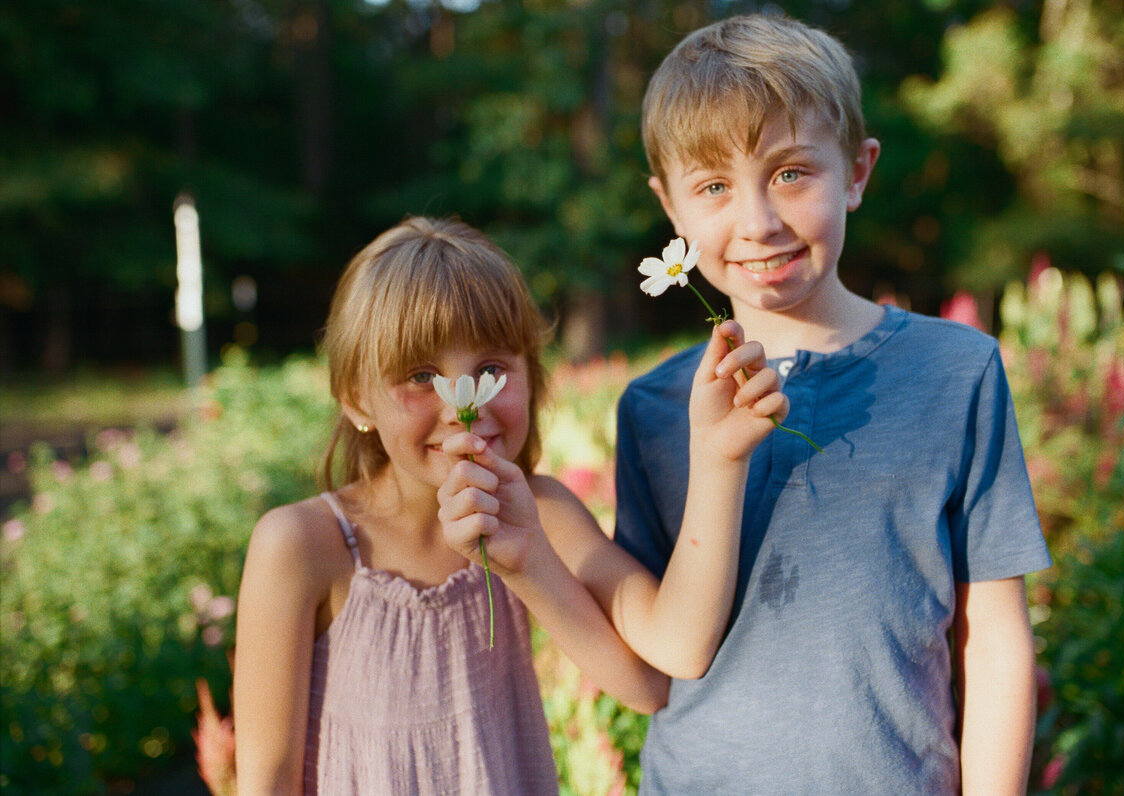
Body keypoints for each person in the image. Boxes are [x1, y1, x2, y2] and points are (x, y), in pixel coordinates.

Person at [613, 14, 1052, 795]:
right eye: (714, 187)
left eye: (790, 173)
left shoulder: (959, 370)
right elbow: (663, 646)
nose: (757, 221)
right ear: (670, 207)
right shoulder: (652, 408)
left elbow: (994, 641)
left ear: (855, 170)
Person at [234, 215, 789, 795]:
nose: (461, 406)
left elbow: (647, 685)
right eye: (421, 376)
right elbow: (267, 778)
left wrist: (527, 565)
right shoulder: (302, 545)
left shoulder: (541, 513)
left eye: (492, 370)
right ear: (356, 399)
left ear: (532, 374)